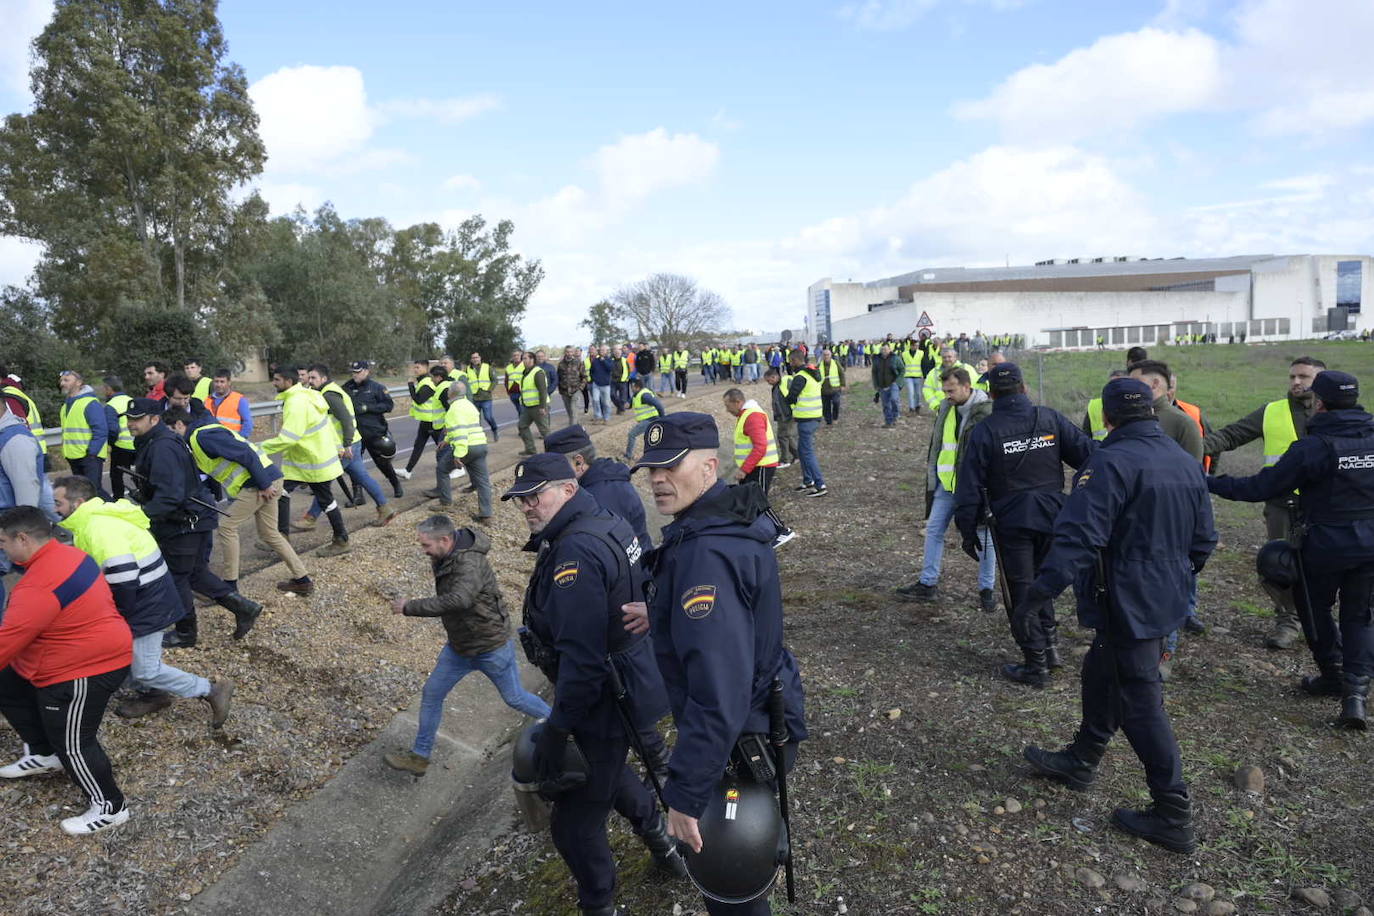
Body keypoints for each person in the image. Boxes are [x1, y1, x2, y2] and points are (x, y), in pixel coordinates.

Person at [1020, 378, 1215, 855]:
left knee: (1140, 702)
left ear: (1106, 418)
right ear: (1151, 410)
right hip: (1165, 595)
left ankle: (1172, 811)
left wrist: (1037, 595)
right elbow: (1204, 539)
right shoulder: (1182, 460)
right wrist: (1172, 576)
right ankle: (1082, 758)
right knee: (1099, 669)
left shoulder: (1108, 463)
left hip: (1128, 600)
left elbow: (1078, 537)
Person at [624, 413, 808, 916]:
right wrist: (664, 611)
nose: (657, 479)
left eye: (670, 466)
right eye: (650, 469)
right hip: (760, 720)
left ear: (708, 466)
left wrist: (685, 794)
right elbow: (734, 620)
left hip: (737, 742)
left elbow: (718, 692)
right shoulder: (720, 523)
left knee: (732, 878)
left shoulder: (706, 554)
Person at [505, 453, 685, 914]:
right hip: (622, 681)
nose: (527, 506)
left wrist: (558, 728)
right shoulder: (601, 516)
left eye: (535, 496)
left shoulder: (575, 552)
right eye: (521, 499)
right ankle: (663, 845)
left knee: (574, 826)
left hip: (601, 697)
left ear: (567, 489)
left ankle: (598, 902)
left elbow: (582, 662)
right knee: (608, 771)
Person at [1206, 370, 1374, 728]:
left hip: (1325, 545)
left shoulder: (1313, 447)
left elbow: (1259, 487)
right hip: (1370, 544)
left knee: (1314, 610)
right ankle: (1355, 696)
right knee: (1360, 616)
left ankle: (1332, 674)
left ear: (1320, 402)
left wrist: (1208, 483)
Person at [953, 363, 1094, 681]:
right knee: (1043, 584)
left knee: (1022, 591)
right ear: (1024, 387)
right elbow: (1089, 455)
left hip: (1013, 523)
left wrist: (966, 529)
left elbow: (969, 486)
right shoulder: (1050, 418)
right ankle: (1050, 648)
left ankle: (1036, 664)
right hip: (1055, 516)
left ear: (990, 393)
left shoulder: (985, 432)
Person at [51, 476, 232, 724]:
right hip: (147, 596)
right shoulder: (92, 520)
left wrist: (117, 618)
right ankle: (154, 695)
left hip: (147, 602)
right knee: (122, 652)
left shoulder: (98, 528)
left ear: (78, 502)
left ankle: (210, 690)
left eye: (58, 503)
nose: (55, 509)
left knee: (147, 669)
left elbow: (124, 578)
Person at [0, 506, 135, 836]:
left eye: (3, 542)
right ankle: (45, 753)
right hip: (75, 647)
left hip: (85, 668)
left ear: (23, 538)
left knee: (74, 742)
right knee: (7, 682)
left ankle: (110, 807)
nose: (1, 548)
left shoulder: (36, 588)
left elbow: (5, 642)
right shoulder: (71, 554)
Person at [383, 515, 550, 775]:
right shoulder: (444, 555)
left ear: (445, 540)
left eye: (426, 545)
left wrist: (409, 607)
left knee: (514, 697)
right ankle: (420, 757)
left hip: (490, 646)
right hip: (460, 647)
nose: (424, 551)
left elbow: (459, 599)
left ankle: (561, 724)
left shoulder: (468, 562)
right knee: (432, 695)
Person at [1204, 356, 1326, 650]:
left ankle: (1324, 620)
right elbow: (1231, 434)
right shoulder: (1272, 411)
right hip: (1282, 505)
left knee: (1325, 564)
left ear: (1321, 381)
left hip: (1324, 505)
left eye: (1304, 377)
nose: (1296, 382)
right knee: (1280, 565)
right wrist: (1189, 450)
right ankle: (1287, 620)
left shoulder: (1335, 412)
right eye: (1293, 376)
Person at [125, 398, 263, 647]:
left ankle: (186, 633)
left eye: (136, 419)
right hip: (195, 517)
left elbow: (170, 494)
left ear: (154, 419)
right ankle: (245, 608)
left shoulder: (162, 446)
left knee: (177, 576)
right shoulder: (153, 442)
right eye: (129, 418)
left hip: (184, 522)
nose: (130, 423)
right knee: (196, 573)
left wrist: (141, 515)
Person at [162, 407, 313, 597]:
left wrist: (264, 484)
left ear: (179, 424)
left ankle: (229, 588)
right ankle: (303, 580)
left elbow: (245, 454)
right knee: (270, 533)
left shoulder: (202, 436)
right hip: (267, 478)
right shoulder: (201, 435)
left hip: (259, 483)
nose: (169, 437)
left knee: (226, 527)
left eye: (170, 430)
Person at [897, 366, 995, 604]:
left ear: (966, 386)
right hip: (946, 486)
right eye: (944, 390)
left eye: (951, 390)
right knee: (933, 530)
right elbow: (939, 445)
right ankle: (927, 583)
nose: (947, 394)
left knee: (984, 536)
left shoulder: (985, 412)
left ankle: (986, 589)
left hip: (974, 489)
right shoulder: (945, 407)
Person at [259, 367, 352, 558]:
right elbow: (324, 424)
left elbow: (289, 437)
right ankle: (282, 538)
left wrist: (260, 448)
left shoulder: (296, 402)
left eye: (277, 379)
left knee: (323, 499)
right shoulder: (308, 395)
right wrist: (339, 447)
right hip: (311, 459)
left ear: (288, 381)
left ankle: (341, 539)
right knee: (286, 493)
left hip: (312, 461)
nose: (274, 383)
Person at [302, 364, 396, 527]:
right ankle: (385, 507)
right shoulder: (329, 390)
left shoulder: (329, 394)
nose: (310, 381)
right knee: (362, 476)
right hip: (351, 443)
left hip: (346, 446)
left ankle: (310, 518)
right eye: (308, 377)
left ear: (323, 379)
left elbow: (346, 420)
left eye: (313, 378)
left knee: (325, 480)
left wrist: (346, 445)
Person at [544, 425, 651, 554]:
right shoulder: (604, 478)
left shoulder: (598, 499)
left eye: (556, 465)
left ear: (579, 463)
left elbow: (601, 552)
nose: (551, 474)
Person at [427, 379, 494, 521]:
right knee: (483, 481)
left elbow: (461, 432)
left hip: (466, 447)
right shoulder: (469, 405)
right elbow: (463, 428)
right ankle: (486, 514)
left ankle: (446, 502)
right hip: (480, 445)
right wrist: (447, 440)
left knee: (442, 469)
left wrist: (458, 455)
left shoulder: (454, 409)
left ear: (451, 393)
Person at [344, 360, 404, 499]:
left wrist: (368, 408)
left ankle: (395, 484)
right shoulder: (347, 387)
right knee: (354, 465)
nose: (355, 375)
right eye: (353, 372)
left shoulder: (376, 387)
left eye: (358, 372)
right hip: (355, 433)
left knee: (382, 463)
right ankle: (358, 495)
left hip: (374, 432)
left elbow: (389, 406)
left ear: (366, 371)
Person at [58, 369, 110, 499]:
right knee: (84, 493)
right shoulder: (66, 405)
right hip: (74, 455)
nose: (62, 383)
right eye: (61, 381)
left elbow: (101, 429)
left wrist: (92, 452)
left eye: (66, 380)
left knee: (94, 490)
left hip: (89, 456)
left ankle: (116, 511)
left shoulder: (90, 402)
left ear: (78, 382)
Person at [784, 350, 827, 497]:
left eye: (791, 361)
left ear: (796, 360)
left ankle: (820, 485)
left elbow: (791, 397)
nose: (790, 364)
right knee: (802, 452)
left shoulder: (800, 377)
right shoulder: (812, 373)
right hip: (813, 417)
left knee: (807, 453)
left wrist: (787, 398)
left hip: (807, 419)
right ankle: (808, 481)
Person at [400, 360, 444, 480]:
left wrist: (410, 385)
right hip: (425, 421)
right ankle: (407, 471)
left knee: (442, 446)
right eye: (414, 367)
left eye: (418, 367)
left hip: (431, 421)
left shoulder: (427, 383)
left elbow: (418, 400)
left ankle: (458, 468)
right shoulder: (423, 381)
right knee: (418, 446)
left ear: (425, 368)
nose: (415, 370)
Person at [101, 375, 137, 501]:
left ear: (109, 389)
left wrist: (111, 443)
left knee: (116, 476)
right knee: (140, 474)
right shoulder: (131, 400)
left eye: (104, 388)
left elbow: (112, 429)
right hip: (137, 444)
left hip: (121, 446)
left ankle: (119, 501)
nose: (103, 391)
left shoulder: (111, 405)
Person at [623, 377, 666, 463]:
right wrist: (628, 405)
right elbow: (632, 402)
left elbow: (659, 405)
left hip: (650, 419)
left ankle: (628, 456)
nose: (631, 388)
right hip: (646, 420)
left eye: (632, 386)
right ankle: (655, 454)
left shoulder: (645, 395)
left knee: (632, 434)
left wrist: (663, 418)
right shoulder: (637, 393)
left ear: (637, 387)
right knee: (650, 438)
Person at [517, 351, 552, 456]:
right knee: (522, 426)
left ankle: (553, 452)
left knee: (544, 431)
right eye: (522, 359)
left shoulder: (538, 372)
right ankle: (530, 449)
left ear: (532, 359)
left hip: (538, 406)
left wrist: (542, 407)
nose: (523, 361)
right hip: (528, 407)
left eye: (525, 359)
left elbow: (543, 391)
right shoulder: (525, 372)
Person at [763, 367, 797, 469]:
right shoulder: (776, 386)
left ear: (775, 377)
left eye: (769, 380)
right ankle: (797, 455)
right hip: (783, 416)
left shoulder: (785, 382)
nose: (768, 383)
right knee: (788, 436)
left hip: (788, 415)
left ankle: (785, 460)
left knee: (783, 437)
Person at [206, 368, 253, 437]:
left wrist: (240, 439)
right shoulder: (207, 400)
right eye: (216, 381)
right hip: (212, 441)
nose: (219, 385)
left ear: (229, 382)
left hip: (232, 441)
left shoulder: (239, 399)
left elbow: (248, 423)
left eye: (222, 382)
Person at [465, 352, 500, 440]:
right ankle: (479, 437)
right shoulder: (467, 369)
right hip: (474, 397)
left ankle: (494, 429)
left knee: (488, 417)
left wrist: (489, 389)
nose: (475, 359)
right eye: (473, 358)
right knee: (476, 419)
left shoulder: (487, 367)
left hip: (486, 397)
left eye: (476, 357)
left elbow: (494, 380)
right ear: (471, 359)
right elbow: (465, 382)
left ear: (480, 358)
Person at [870, 343, 904, 428]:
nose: (884, 351)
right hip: (882, 385)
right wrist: (876, 384)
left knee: (894, 399)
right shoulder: (877, 359)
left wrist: (898, 382)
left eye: (885, 349)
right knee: (885, 404)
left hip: (894, 383)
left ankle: (895, 416)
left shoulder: (895, 358)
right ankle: (888, 421)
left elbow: (902, 370)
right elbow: (874, 372)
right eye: (882, 349)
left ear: (890, 350)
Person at [558, 346, 588, 427]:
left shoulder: (578, 362)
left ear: (573, 353)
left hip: (576, 390)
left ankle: (571, 431)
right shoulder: (561, 364)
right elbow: (558, 377)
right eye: (567, 352)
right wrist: (560, 389)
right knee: (570, 413)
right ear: (565, 352)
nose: (569, 353)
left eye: (571, 352)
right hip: (564, 392)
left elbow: (584, 376)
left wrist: (581, 388)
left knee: (574, 411)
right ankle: (577, 428)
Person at [817, 348, 846, 426]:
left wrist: (843, 385)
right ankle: (828, 421)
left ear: (830, 355)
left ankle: (835, 418)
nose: (826, 356)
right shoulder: (819, 365)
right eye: (824, 355)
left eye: (827, 355)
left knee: (836, 403)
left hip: (835, 389)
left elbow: (841, 374)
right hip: (824, 390)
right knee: (826, 407)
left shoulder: (836, 363)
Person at [589, 345, 614, 424]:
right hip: (596, 384)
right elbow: (591, 371)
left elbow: (610, 368)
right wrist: (594, 379)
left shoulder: (609, 360)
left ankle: (606, 418)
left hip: (606, 385)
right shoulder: (595, 360)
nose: (602, 351)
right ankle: (598, 416)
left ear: (607, 351)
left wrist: (603, 361)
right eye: (601, 350)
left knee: (606, 402)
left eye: (604, 350)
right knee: (595, 400)